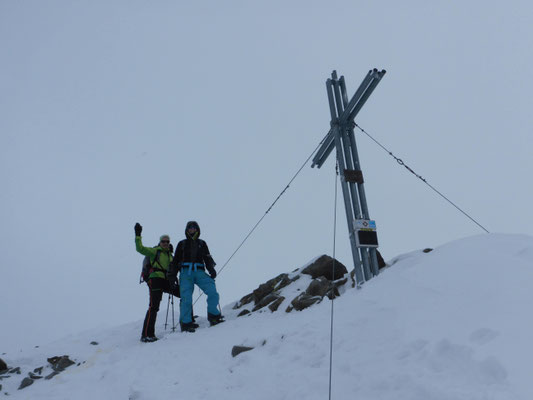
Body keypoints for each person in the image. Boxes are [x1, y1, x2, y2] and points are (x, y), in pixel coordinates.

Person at [168, 221, 223, 332]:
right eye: (190, 228)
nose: (192, 229)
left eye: (194, 228)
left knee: (212, 291)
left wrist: (211, 269)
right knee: (186, 297)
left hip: (199, 271)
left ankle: (213, 315)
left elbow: (207, 258)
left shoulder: (202, 243)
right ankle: (186, 323)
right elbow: (175, 261)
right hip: (185, 272)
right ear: (187, 230)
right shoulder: (182, 243)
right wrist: (172, 275)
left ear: (197, 229)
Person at [135, 222, 180, 342]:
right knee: (153, 307)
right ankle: (146, 335)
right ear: (160, 242)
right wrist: (138, 235)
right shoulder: (155, 251)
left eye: (167, 241)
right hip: (155, 279)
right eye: (163, 241)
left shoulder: (171, 256)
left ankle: (187, 320)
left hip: (166, 281)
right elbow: (140, 249)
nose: (165, 243)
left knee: (183, 293)